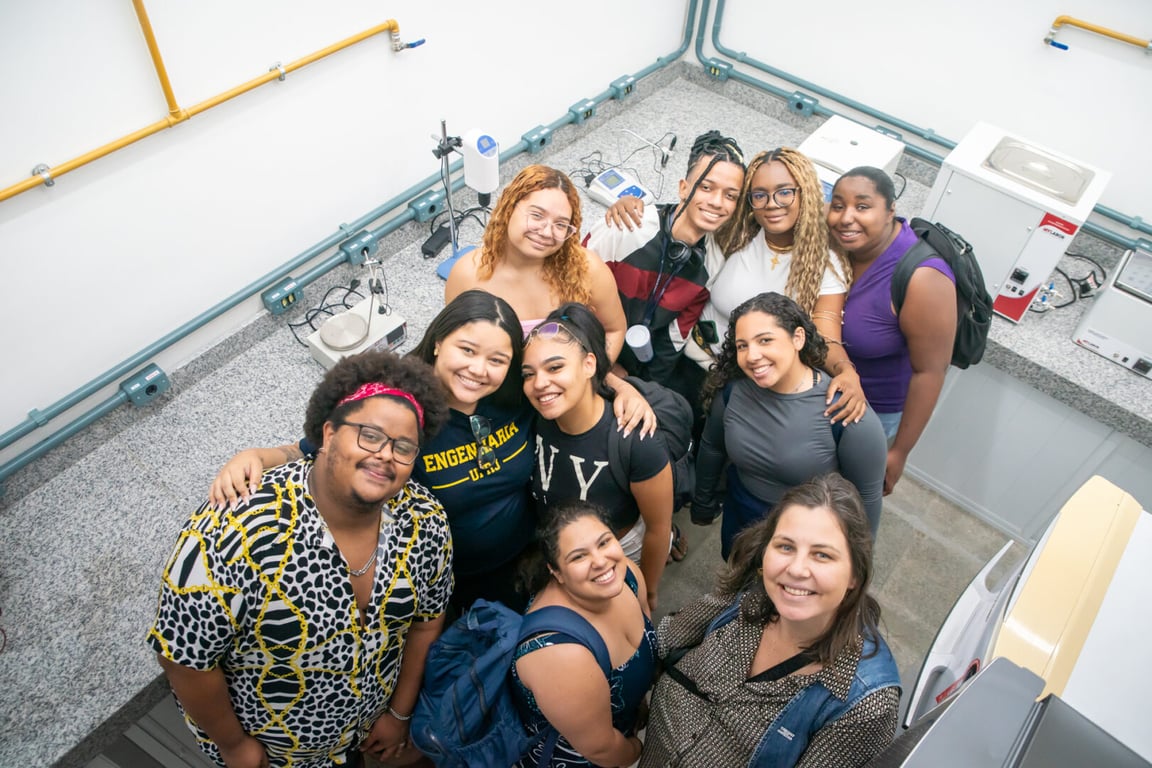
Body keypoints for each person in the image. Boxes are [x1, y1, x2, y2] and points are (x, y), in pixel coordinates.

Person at [208, 291, 657, 615]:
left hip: (531, 561)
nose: (479, 370)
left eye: (498, 360)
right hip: (450, 584)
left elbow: (566, 368)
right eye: (467, 350)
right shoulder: (400, 408)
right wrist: (260, 456)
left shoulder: (516, 397)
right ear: (439, 340)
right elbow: (324, 448)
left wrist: (618, 387)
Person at [148, 351, 453, 768]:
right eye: (369, 435)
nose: (385, 455)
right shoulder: (236, 530)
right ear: (328, 435)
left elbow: (427, 622)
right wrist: (234, 745)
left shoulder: (425, 522)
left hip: (363, 737)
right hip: (274, 757)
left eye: (403, 447)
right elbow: (184, 658)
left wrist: (398, 714)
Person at [641, 473, 901, 768]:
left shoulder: (863, 702)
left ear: (855, 573)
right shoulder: (749, 595)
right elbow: (664, 640)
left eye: (822, 555)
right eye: (786, 547)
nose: (797, 569)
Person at [607, 146, 866, 429]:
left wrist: (846, 370)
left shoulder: (825, 264)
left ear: (805, 192)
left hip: (748, 382)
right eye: (759, 195)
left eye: (784, 192)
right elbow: (694, 208)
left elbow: (826, 332)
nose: (771, 203)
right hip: (683, 361)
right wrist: (636, 205)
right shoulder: (734, 233)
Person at [445, 163, 655, 434]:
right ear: (509, 208)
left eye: (560, 225)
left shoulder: (587, 269)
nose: (546, 232)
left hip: (567, 394)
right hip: (499, 400)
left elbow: (614, 329)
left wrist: (591, 378)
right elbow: (457, 347)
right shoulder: (468, 274)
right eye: (537, 216)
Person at [691, 292, 886, 557]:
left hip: (807, 536)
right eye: (742, 346)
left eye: (765, 340)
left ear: (798, 338)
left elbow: (867, 499)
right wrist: (702, 501)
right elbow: (712, 446)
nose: (752, 355)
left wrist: (854, 568)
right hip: (741, 515)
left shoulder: (846, 413)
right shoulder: (731, 392)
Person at [521, 303, 675, 611]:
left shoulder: (636, 439)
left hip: (617, 554)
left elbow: (658, 530)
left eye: (555, 368)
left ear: (589, 364)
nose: (539, 384)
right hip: (556, 554)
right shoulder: (535, 416)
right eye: (528, 374)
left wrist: (647, 590)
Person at [828, 166, 957, 495]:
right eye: (838, 205)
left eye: (863, 206)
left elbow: (930, 372)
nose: (846, 218)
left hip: (874, 412)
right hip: (828, 392)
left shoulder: (923, 277)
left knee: (845, 496)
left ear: (890, 211)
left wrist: (898, 452)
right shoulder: (837, 246)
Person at [585, 130, 745, 390]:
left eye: (730, 196)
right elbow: (569, 290)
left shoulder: (713, 264)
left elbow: (675, 338)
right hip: (588, 350)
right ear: (683, 188)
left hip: (638, 363)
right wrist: (604, 365)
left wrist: (647, 390)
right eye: (706, 187)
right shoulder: (627, 226)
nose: (717, 202)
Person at [512, 501, 654, 768]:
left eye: (604, 542)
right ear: (556, 573)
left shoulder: (629, 576)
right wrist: (639, 749)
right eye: (578, 557)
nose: (601, 562)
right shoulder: (560, 655)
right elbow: (600, 749)